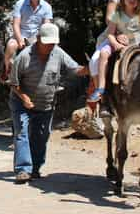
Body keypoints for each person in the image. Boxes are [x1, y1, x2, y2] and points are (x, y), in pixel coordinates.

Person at [9, 23, 88, 184]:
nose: (50, 47)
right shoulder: (24, 56)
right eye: (47, 43)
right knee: (22, 132)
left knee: (41, 136)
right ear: (38, 40)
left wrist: (90, 68)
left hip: (46, 103)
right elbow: (13, 83)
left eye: (53, 44)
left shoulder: (58, 53)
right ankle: (23, 170)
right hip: (22, 102)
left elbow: (75, 69)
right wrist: (24, 98)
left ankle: (35, 168)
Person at [88, 0, 140, 103]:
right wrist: (115, 43)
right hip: (118, 40)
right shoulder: (117, 14)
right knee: (103, 54)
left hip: (137, 41)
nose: (133, 0)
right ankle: (101, 89)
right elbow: (110, 33)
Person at [3, 0, 53, 80]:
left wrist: (40, 41)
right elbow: (16, 24)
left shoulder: (47, 7)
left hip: (36, 35)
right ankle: (7, 71)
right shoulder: (20, 3)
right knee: (10, 46)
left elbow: (46, 27)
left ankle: (51, 78)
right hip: (20, 33)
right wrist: (20, 40)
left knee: (52, 49)